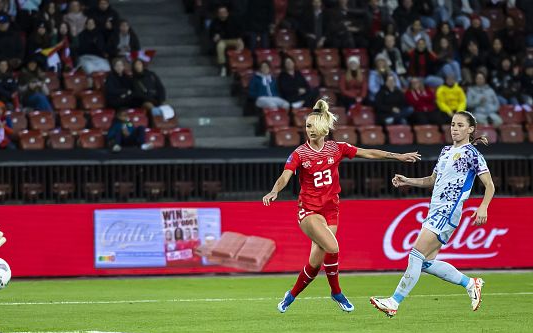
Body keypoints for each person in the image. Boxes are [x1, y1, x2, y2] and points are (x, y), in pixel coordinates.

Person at [263, 98, 420, 314]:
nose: (309, 130)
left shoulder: (337, 148)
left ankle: (290, 296)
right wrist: (274, 191)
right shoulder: (300, 153)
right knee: (333, 247)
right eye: (307, 126)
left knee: (315, 263)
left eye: (313, 126)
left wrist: (397, 156)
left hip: (331, 209)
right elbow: (285, 176)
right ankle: (336, 292)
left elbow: (369, 152)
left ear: (324, 128)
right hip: (309, 210)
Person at [371, 111, 494, 317]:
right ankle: (470, 283)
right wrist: (407, 180)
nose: (454, 128)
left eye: (460, 125)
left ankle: (394, 302)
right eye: (453, 124)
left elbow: (489, 185)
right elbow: (431, 180)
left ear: (470, 129)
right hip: (435, 209)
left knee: (415, 254)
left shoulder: (472, 154)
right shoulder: (445, 151)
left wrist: (483, 207)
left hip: (449, 210)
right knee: (425, 263)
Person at [209, 5, 244, 77]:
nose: (222, 14)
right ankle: (223, 67)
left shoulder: (233, 20)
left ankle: (239, 67)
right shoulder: (215, 22)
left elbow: (240, 31)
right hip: (223, 41)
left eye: (224, 12)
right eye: (220, 12)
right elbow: (211, 34)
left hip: (234, 39)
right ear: (218, 14)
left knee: (240, 45)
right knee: (220, 46)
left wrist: (240, 38)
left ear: (227, 13)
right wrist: (214, 36)